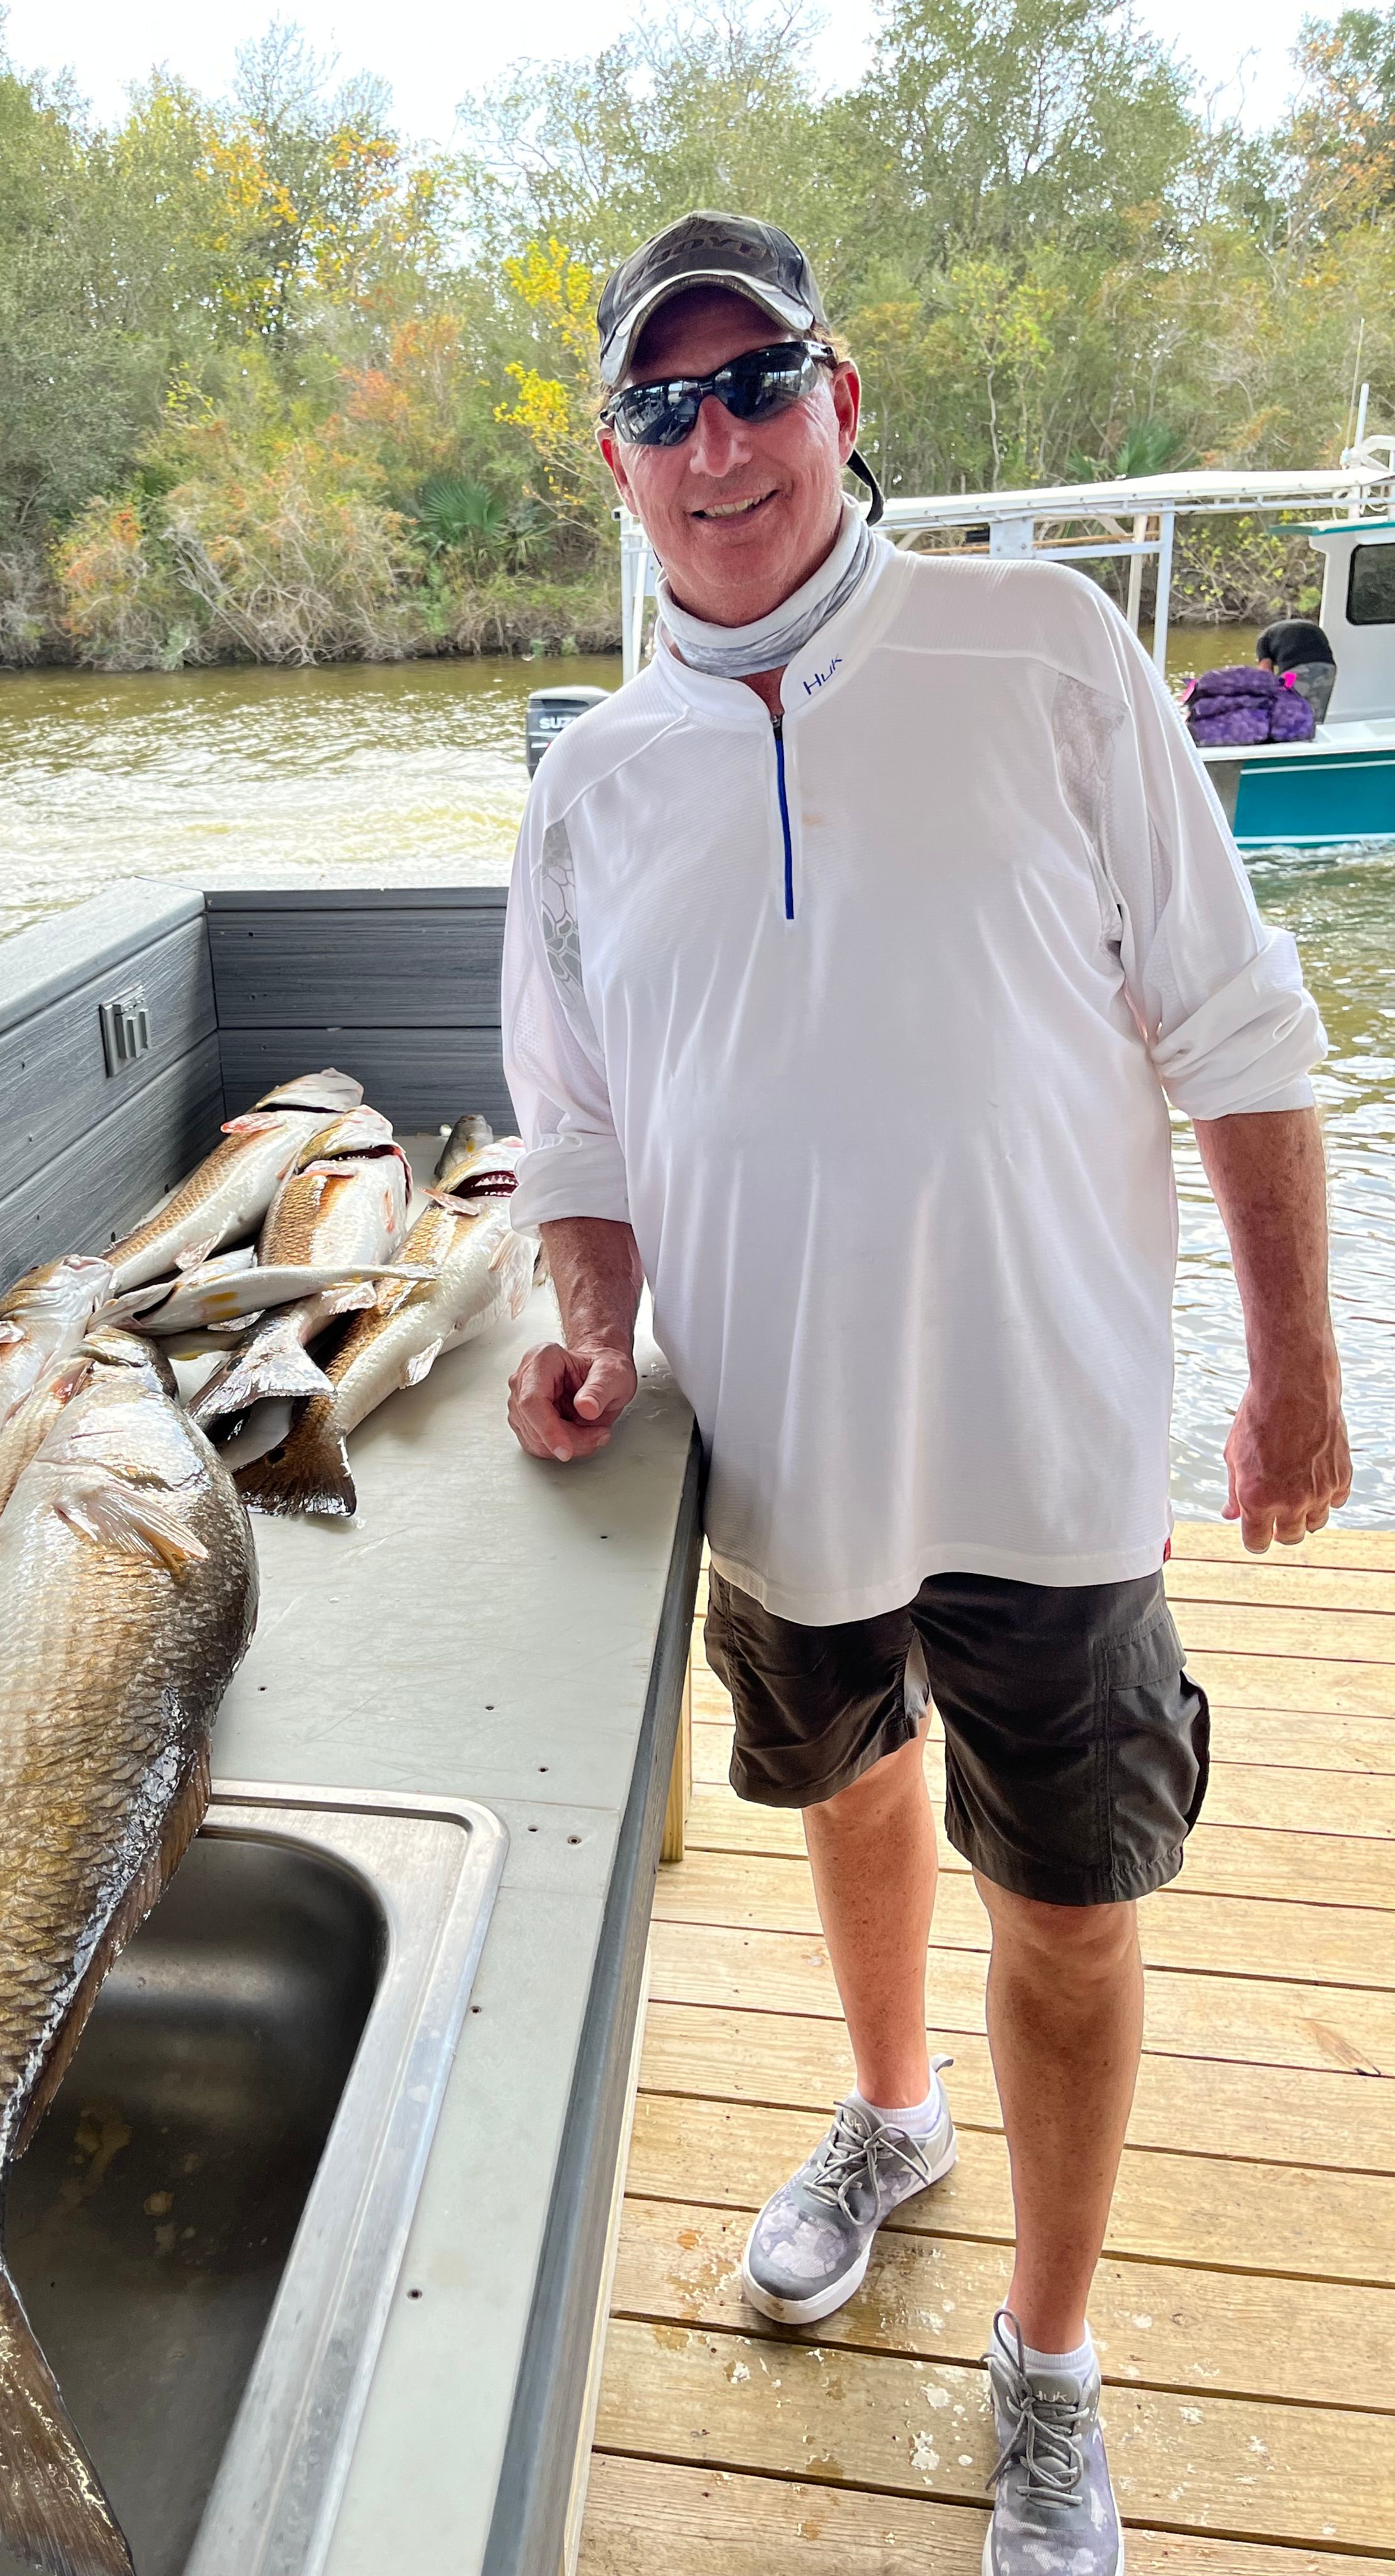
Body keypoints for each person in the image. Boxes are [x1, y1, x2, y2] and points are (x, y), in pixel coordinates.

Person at [500, 210, 1352, 2576]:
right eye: (659, 407)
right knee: (848, 1783)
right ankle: (890, 2113)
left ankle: (1048, 2363)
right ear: (613, 461)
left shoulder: (1043, 646)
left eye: (753, 383)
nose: (714, 443)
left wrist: (1295, 1367)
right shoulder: (587, 781)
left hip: (1049, 1455)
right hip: (776, 1463)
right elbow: (575, 1125)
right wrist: (592, 1321)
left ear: (840, 400)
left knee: (1067, 1908)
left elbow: (1236, 1021)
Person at [1256, 617, 1337, 723]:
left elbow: (1265, 674)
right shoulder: (1278, 633)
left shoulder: (1263, 640)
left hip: (1294, 672)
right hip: (1327, 667)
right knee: (1316, 714)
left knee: (1283, 708)